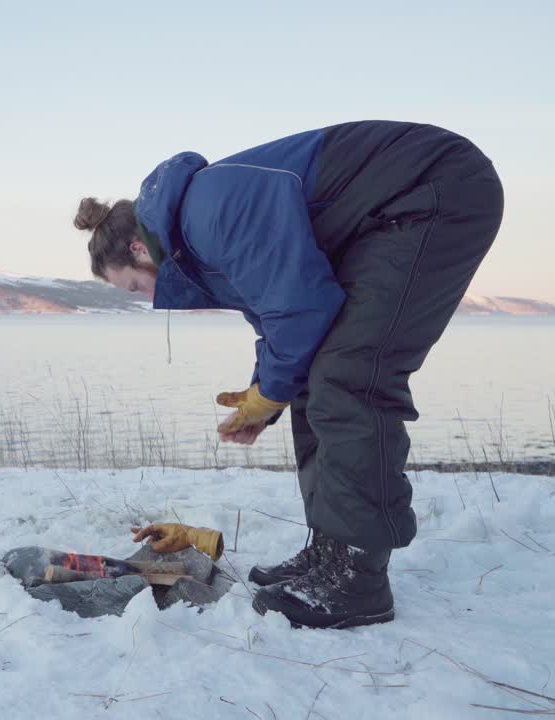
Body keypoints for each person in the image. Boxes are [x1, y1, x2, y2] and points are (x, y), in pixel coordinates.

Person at [76, 120, 504, 629]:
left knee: (350, 376)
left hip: (431, 189)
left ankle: (357, 578)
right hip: (385, 215)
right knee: (318, 376)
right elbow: (276, 316)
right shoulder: (197, 238)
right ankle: (330, 550)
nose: (149, 300)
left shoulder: (212, 210)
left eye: (133, 288)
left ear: (138, 251)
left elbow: (299, 309)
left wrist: (269, 392)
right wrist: (268, 394)